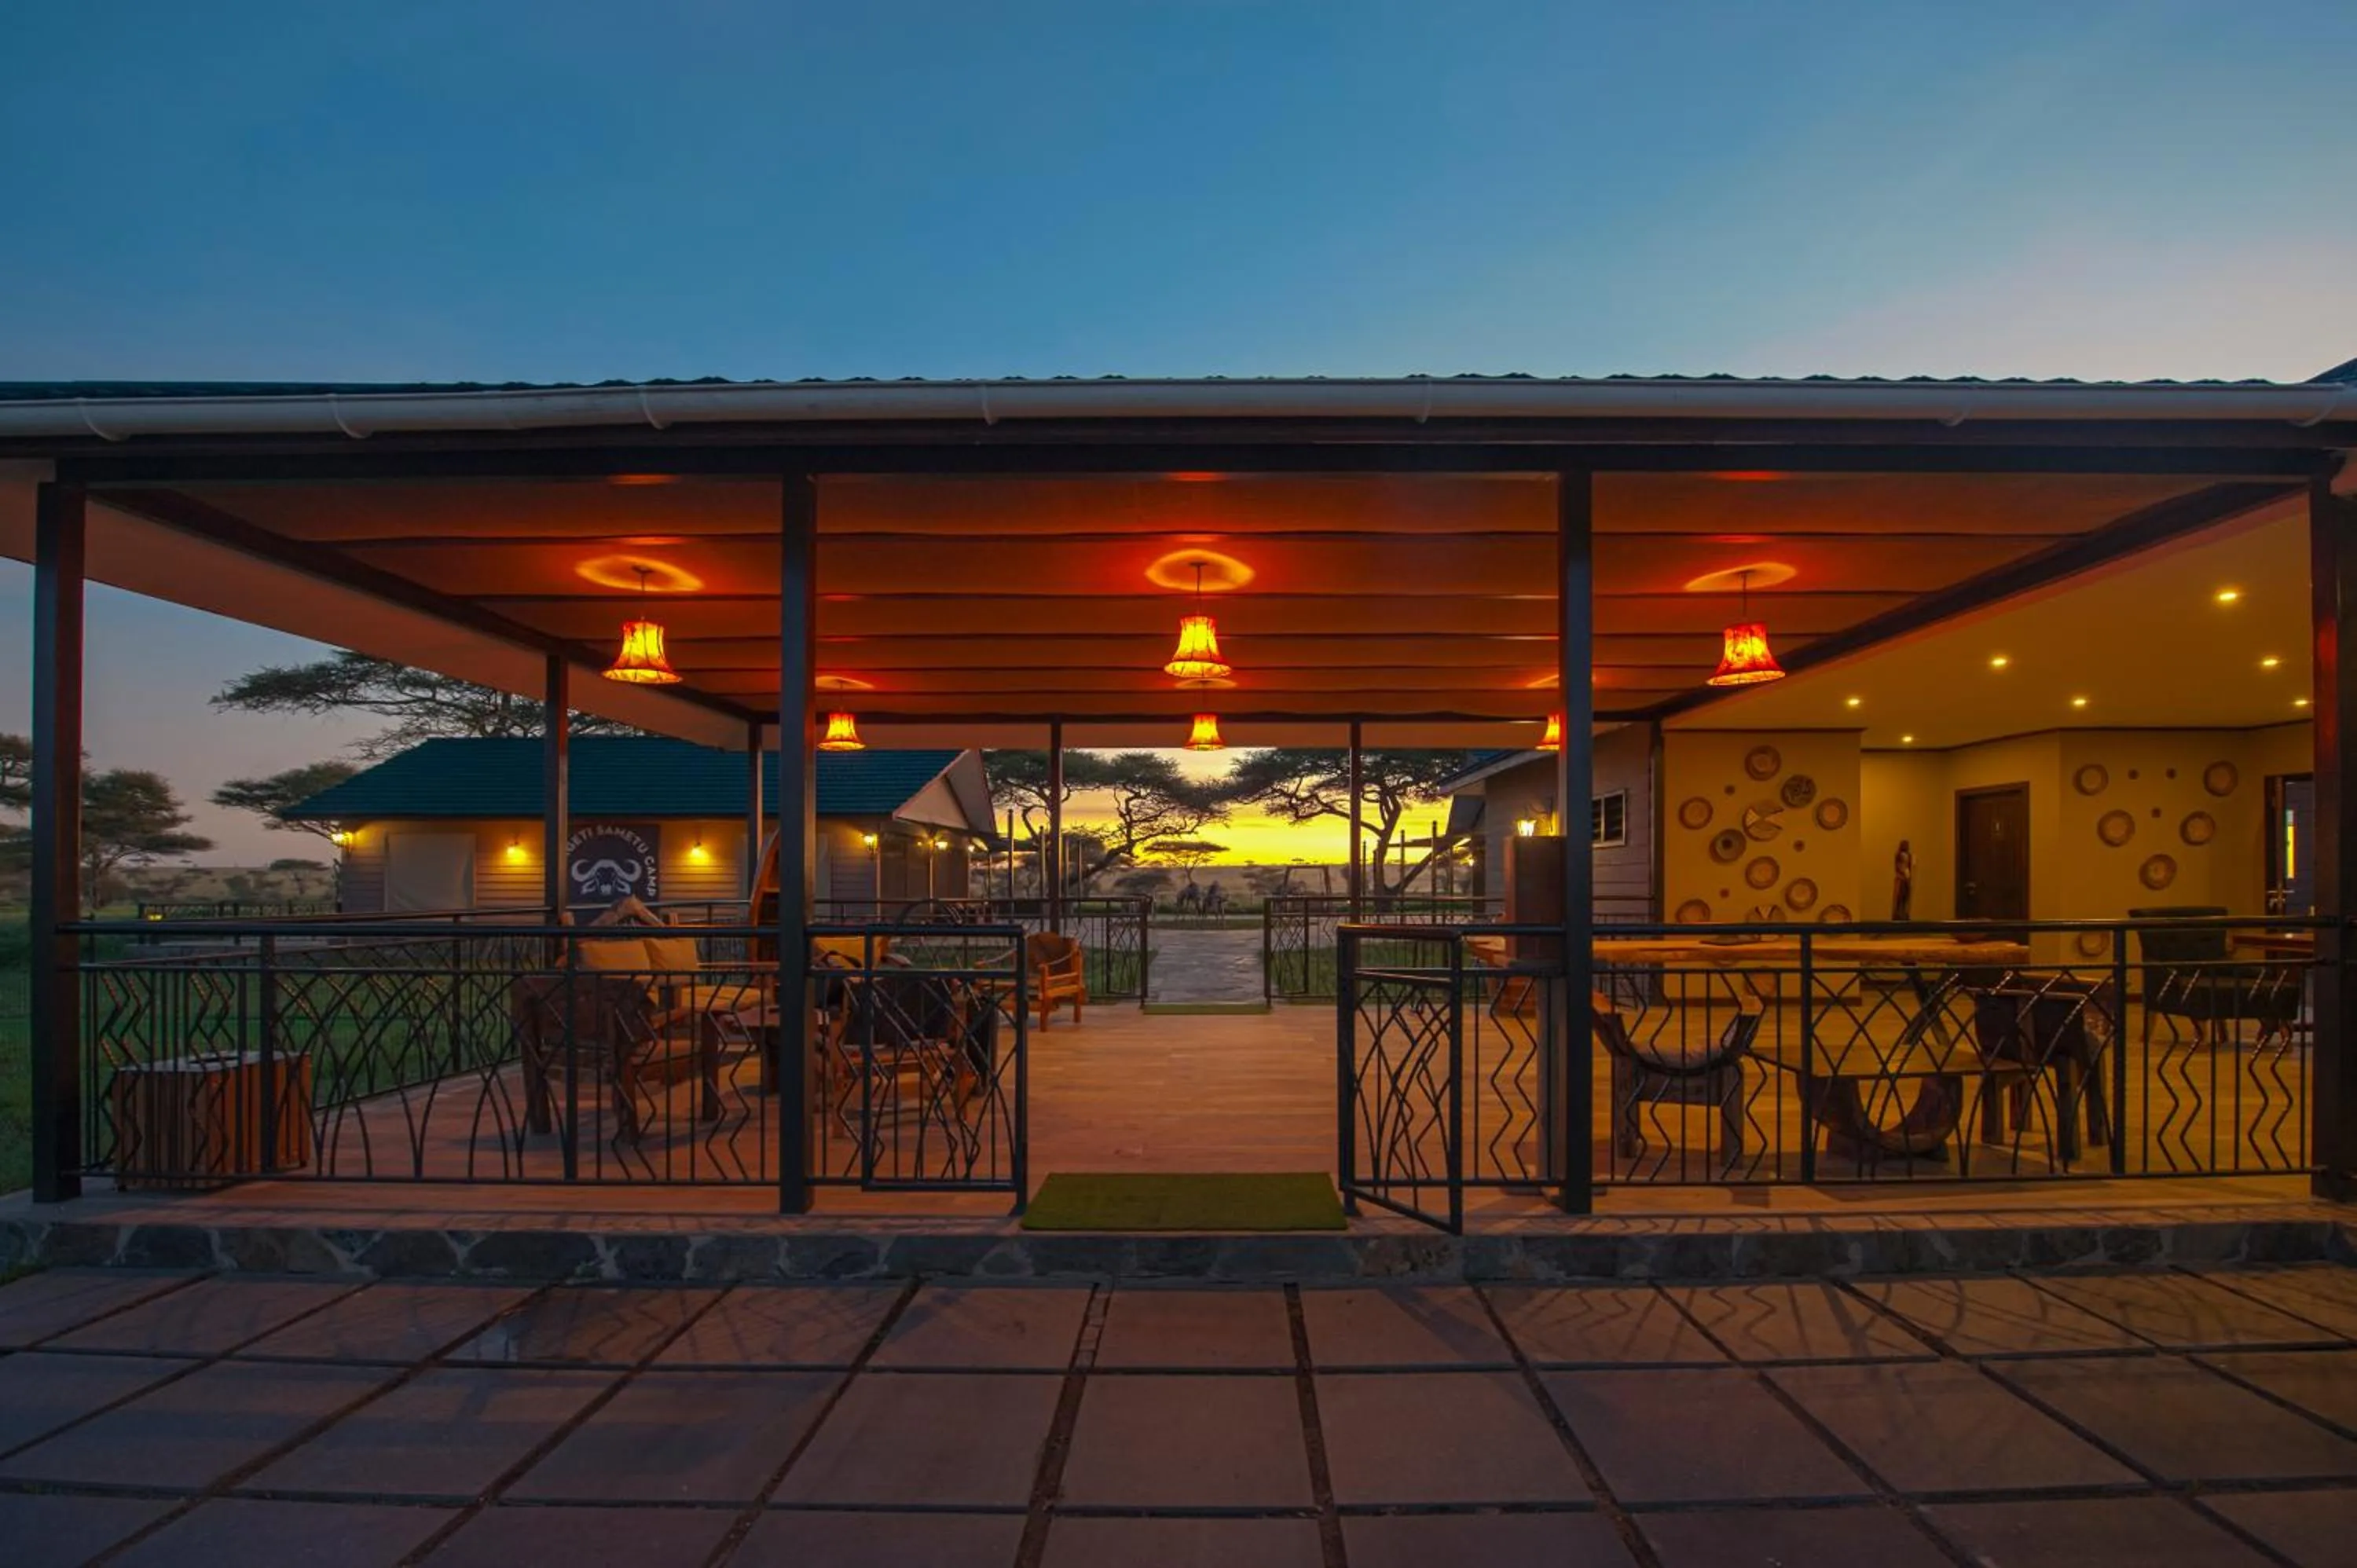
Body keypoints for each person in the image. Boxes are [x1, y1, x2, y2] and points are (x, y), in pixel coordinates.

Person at [1891, 840, 1915, 921]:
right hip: (1901, 879)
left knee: (1906, 898)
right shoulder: (1899, 855)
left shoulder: (1909, 855)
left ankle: (1905, 914)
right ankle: (1898, 915)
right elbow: (1897, 867)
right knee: (1899, 899)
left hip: (1907, 879)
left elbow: (1910, 867)